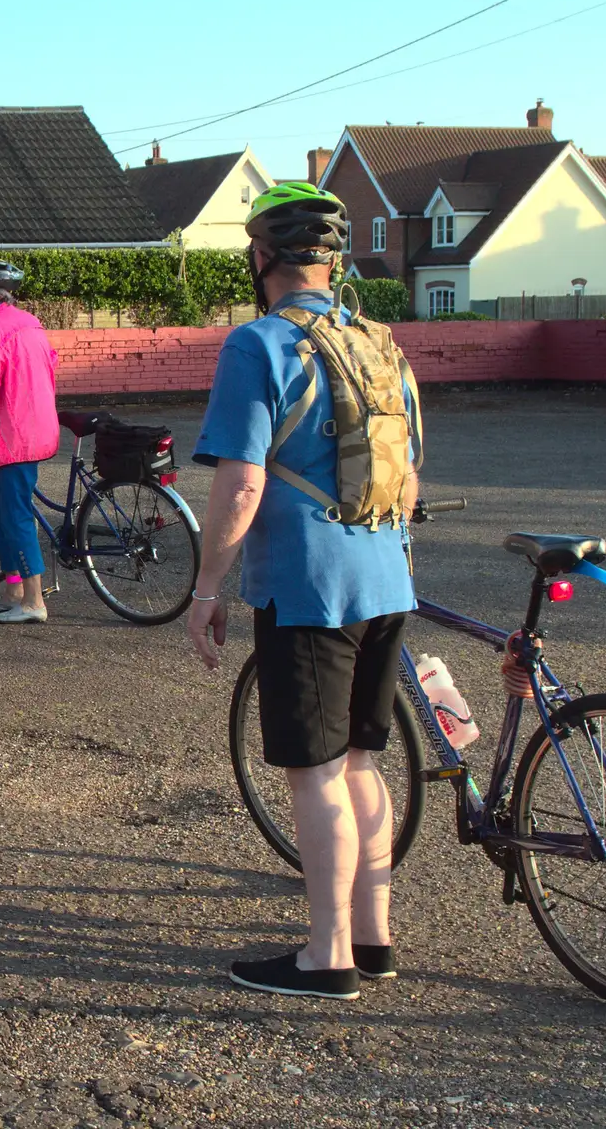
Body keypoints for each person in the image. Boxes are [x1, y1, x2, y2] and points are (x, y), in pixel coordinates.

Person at [187, 182, 418, 1000]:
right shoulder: (380, 341)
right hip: (387, 578)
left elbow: (241, 484)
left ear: (262, 257)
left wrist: (208, 584)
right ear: (334, 259)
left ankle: (327, 956)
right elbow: (411, 473)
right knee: (361, 760)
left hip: (308, 586)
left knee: (314, 771)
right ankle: (373, 937)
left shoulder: (257, 345)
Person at [0, 257, 59, 624]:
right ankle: (14, 589)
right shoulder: (29, 322)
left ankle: (34, 600)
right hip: (35, 425)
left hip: (16, 433)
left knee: (14, 516)